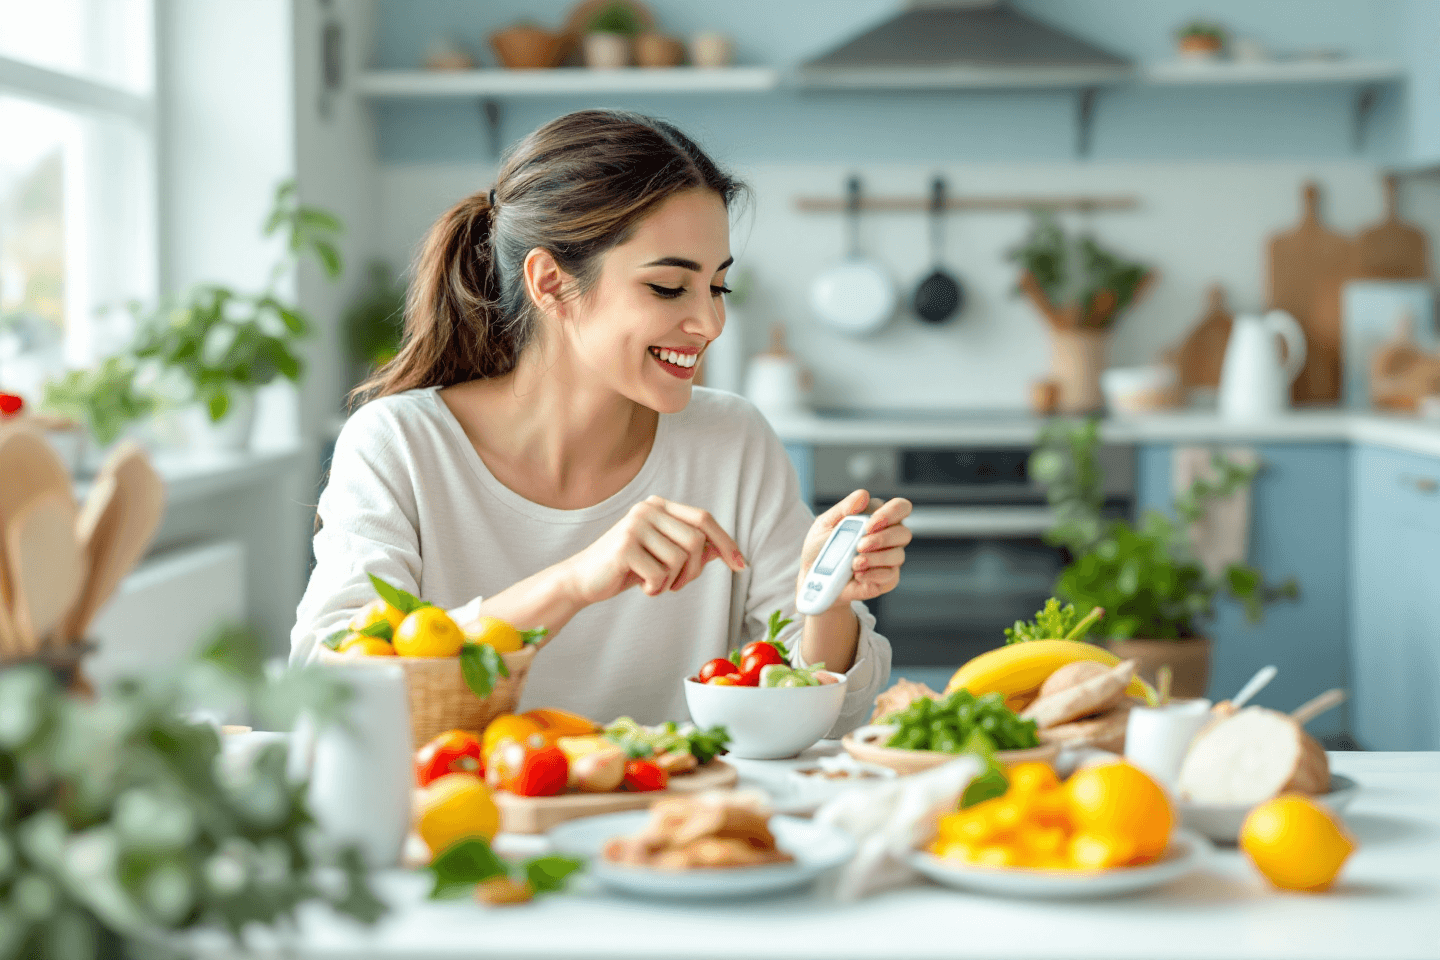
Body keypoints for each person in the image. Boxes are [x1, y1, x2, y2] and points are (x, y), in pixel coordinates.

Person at [290, 110, 912, 732]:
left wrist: (826, 604)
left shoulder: (731, 440)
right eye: (668, 287)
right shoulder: (399, 443)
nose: (710, 323)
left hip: (680, 796)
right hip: (468, 793)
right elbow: (332, 688)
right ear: (551, 283)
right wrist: (573, 583)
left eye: (718, 287)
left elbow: (833, 720)